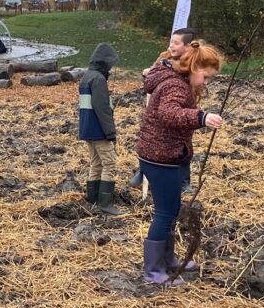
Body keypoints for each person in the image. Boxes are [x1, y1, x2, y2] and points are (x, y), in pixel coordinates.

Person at [135, 41, 224, 285]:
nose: (206, 83)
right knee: (165, 213)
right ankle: (153, 270)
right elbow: (168, 113)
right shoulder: (176, 85)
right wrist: (201, 117)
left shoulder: (179, 82)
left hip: (164, 154)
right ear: (194, 67)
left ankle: (168, 259)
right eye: (206, 77)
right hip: (159, 156)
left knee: (171, 210)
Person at [129, 27, 197, 192]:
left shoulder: (194, 61)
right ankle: (145, 170)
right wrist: (148, 72)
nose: (171, 46)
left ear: (187, 46)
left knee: (183, 141)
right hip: (163, 103)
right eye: (171, 42)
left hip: (182, 103)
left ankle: (183, 179)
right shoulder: (165, 58)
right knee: (155, 135)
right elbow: (152, 74)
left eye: (175, 43)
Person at [78, 43, 122, 215]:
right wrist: (110, 132)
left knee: (95, 164)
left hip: (87, 130)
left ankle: (93, 198)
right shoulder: (98, 79)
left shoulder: (86, 77)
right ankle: (105, 203)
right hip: (99, 131)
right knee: (109, 163)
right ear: (105, 63)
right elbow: (102, 108)